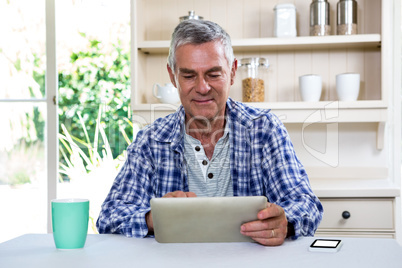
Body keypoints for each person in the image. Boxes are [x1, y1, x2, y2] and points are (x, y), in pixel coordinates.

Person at [97, 19, 323, 246]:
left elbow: (306, 204)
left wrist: (286, 222)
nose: (203, 87)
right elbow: (109, 217)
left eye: (214, 74)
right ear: (172, 75)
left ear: (232, 72)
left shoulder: (264, 129)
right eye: (188, 76)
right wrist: (151, 219)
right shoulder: (150, 141)